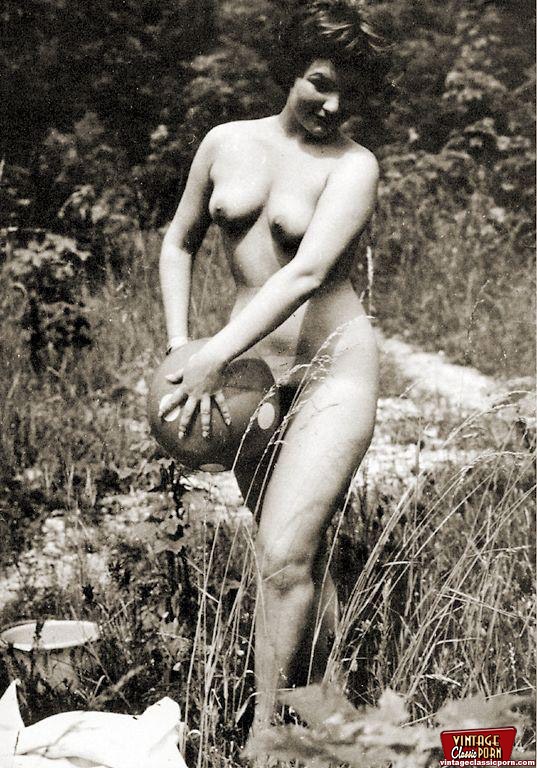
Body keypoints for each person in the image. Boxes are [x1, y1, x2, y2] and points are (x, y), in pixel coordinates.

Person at [159, 0, 388, 738]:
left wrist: (212, 353)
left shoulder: (354, 166)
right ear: (289, 70)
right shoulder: (224, 142)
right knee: (296, 561)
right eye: (320, 82)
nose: (333, 105)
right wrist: (180, 348)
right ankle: (328, 715)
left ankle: (265, 738)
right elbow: (179, 241)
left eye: (349, 92)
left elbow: (305, 273)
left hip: (332, 372)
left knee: (283, 553)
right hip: (250, 377)